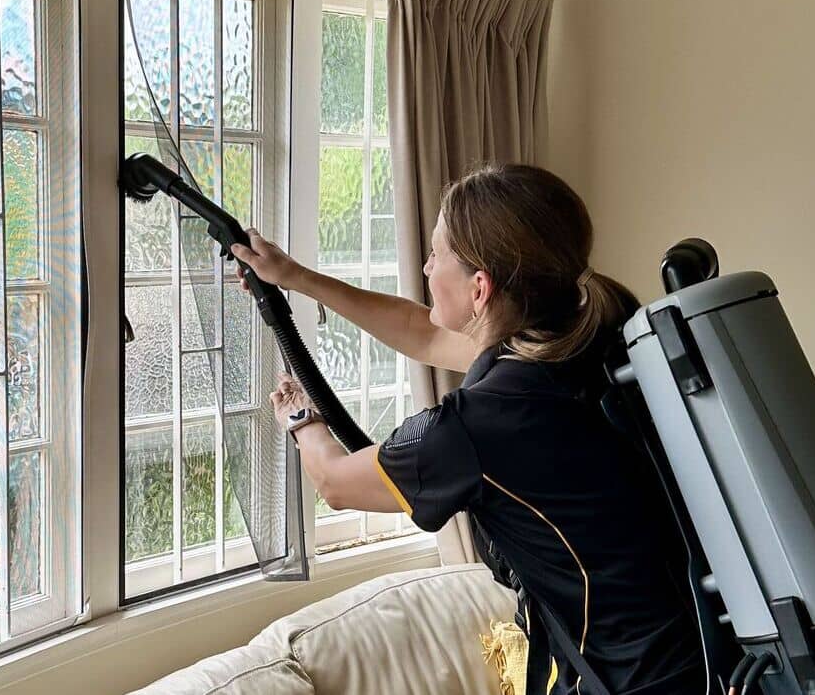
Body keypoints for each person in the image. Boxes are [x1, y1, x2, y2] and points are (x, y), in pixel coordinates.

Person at [230, 164, 704, 694]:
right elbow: (422, 333)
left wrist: (301, 420)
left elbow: (336, 483)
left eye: (435, 255)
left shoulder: (479, 425)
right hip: (698, 656)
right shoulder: (586, 342)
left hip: (629, 683)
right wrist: (294, 277)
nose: (427, 267)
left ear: (480, 288)